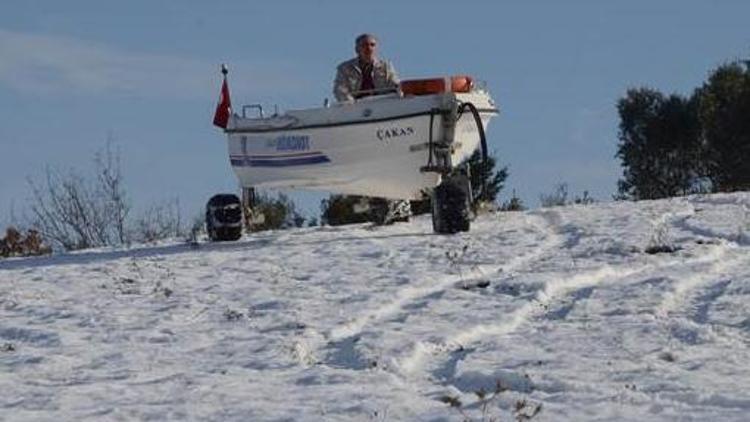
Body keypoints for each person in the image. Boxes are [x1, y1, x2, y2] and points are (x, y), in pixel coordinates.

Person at [333, 34, 400, 102]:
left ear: (376, 49)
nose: (369, 48)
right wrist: (352, 105)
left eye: (372, 45)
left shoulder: (386, 66)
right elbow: (340, 90)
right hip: (355, 107)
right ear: (357, 49)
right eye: (364, 45)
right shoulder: (345, 68)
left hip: (382, 105)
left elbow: (395, 86)